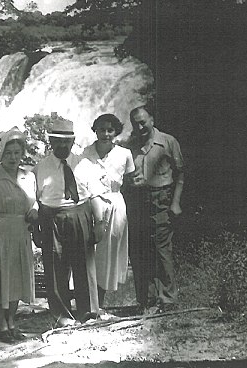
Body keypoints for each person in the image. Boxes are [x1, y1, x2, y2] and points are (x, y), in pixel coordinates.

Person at [33, 116, 99, 327]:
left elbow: (94, 194)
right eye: (57, 141)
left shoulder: (84, 164)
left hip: (80, 214)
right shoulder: (40, 168)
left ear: (73, 141)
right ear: (50, 142)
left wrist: (99, 223)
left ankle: (87, 311)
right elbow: (34, 201)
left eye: (66, 141)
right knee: (56, 267)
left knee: (83, 264)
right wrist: (36, 229)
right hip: (52, 217)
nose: (62, 145)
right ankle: (61, 314)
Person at [0, 127, 37, 343]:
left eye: (16, 152)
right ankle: (1, 325)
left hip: (22, 232)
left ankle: (12, 322)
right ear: (0, 155)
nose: (13, 157)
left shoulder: (29, 176)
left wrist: (35, 210)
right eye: (8, 153)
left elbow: (35, 201)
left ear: (22, 153)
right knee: (1, 279)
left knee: (17, 279)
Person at [125, 103, 184, 313]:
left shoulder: (168, 142)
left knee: (162, 250)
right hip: (138, 201)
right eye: (135, 124)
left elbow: (180, 174)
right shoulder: (130, 146)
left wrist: (175, 203)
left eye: (142, 122)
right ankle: (146, 300)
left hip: (162, 199)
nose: (139, 127)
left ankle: (168, 299)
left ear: (152, 120)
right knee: (142, 250)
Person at [77, 114, 135, 309]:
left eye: (110, 130)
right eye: (102, 129)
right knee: (90, 252)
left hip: (116, 204)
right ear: (96, 130)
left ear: (116, 132)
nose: (106, 134)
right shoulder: (86, 153)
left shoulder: (124, 154)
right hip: (91, 204)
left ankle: (99, 303)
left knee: (108, 254)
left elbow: (129, 183)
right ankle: (89, 302)